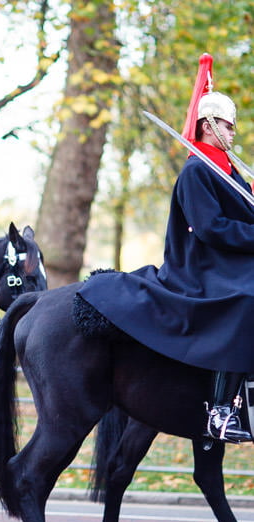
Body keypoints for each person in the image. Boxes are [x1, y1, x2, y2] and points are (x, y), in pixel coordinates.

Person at [77, 53, 253, 443]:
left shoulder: (227, 168)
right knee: (247, 299)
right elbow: (211, 229)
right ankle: (222, 411)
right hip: (203, 264)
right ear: (208, 126)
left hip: (231, 258)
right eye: (227, 124)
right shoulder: (197, 170)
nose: (233, 131)